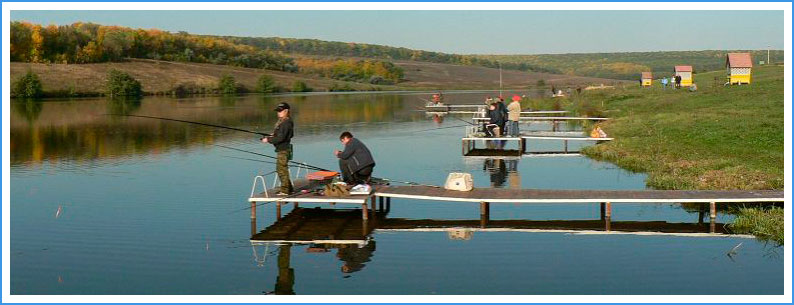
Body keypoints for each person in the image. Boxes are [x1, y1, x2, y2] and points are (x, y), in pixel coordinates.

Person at [261, 102, 294, 195]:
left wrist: (268, 139)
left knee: (281, 169)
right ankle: (288, 188)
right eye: (278, 111)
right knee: (282, 169)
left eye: (280, 111)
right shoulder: (285, 121)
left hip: (283, 149)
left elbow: (281, 138)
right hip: (283, 148)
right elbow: (283, 135)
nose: (278, 113)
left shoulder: (286, 122)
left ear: (286, 111)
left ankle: (285, 191)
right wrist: (272, 135)